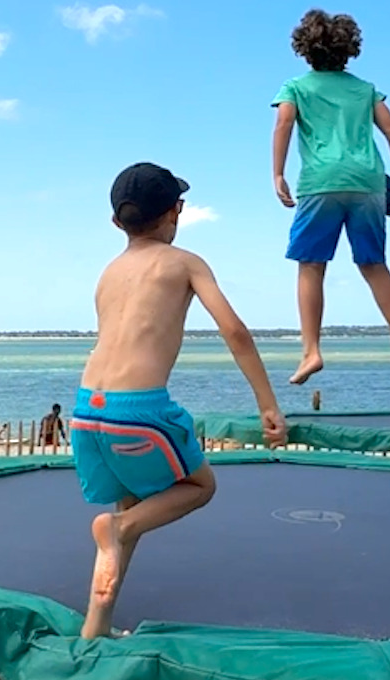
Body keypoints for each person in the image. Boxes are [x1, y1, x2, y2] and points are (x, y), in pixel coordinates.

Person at [70, 162, 288, 640]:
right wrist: (267, 404)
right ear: (177, 211)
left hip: (87, 410)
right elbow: (235, 331)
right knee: (198, 487)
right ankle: (116, 531)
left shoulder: (108, 273)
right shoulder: (185, 262)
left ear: (116, 222)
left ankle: (95, 626)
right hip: (139, 411)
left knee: (129, 507)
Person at [270, 8, 390, 384]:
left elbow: (284, 123)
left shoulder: (295, 88)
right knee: (374, 264)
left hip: (321, 182)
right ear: (349, 49)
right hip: (368, 182)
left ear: (304, 50)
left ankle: (311, 351)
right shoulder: (365, 89)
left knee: (311, 265)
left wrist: (278, 173)